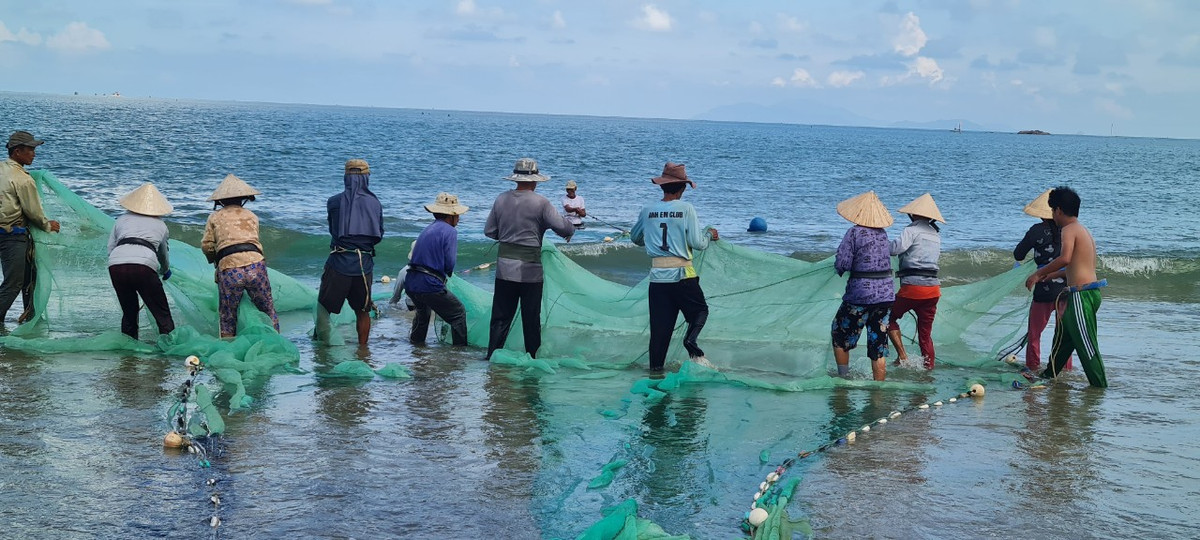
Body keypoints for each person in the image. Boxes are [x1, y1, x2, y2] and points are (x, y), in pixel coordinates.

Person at [630, 162, 718, 373]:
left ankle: (655, 373)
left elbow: (635, 238)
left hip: (657, 280)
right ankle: (690, 341)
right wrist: (709, 235)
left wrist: (650, 237)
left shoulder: (647, 210)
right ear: (683, 188)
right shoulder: (686, 209)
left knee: (660, 333)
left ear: (662, 186)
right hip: (683, 277)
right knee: (700, 311)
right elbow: (698, 243)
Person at [484, 158, 574, 359]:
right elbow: (563, 228)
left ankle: (492, 357)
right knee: (531, 319)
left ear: (515, 178)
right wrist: (570, 227)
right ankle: (532, 359)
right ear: (535, 181)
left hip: (504, 269)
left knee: (500, 318)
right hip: (530, 272)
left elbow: (489, 231)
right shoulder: (541, 203)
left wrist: (507, 235)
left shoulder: (501, 199)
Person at [1025, 186, 1106, 388]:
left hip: (1081, 296)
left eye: (1053, 211)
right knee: (1063, 341)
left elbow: (1065, 258)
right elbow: (1077, 266)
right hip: (1085, 292)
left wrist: (1038, 273)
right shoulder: (1082, 230)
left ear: (1059, 211)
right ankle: (1047, 376)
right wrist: (1053, 275)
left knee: (1087, 345)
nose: (1053, 215)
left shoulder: (1068, 230)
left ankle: (1100, 386)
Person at [200, 174, 279, 338]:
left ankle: (229, 346)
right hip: (256, 266)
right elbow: (254, 241)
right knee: (267, 309)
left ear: (220, 201)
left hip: (230, 269)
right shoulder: (251, 216)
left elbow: (207, 246)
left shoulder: (214, 217)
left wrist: (215, 261)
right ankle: (276, 341)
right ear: (243, 199)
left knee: (228, 315)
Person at [317, 159, 383, 346]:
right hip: (364, 267)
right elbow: (378, 235)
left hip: (338, 263)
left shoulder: (334, 202)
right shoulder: (375, 203)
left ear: (346, 177)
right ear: (366, 178)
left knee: (324, 308)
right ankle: (363, 350)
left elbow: (333, 230)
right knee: (363, 311)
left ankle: (321, 350)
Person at [831, 191, 894, 381]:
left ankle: (843, 379)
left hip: (860, 295)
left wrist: (839, 269)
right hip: (886, 296)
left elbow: (843, 263)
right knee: (878, 344)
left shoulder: (854, 233)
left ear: (858, 213)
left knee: (839, 334)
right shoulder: (883, 234)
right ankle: (879, 388)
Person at [0, 130, 61, 326]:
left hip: (5, 233)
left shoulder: (1, 168)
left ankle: (30, 318)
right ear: (17, 151)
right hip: (13, 236)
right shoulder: (23, 179)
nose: (34, 154)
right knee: (14, 282)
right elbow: (33, 213)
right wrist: (48, 225)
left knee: (29, 277)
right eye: (30, 149)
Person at [107, 183, 175, 339]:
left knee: (129, 312)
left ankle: (129, 348)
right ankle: (168, 347)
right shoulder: (161, 225)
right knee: (161, 313)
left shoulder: (121, 219)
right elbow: (163, 254)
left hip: (116, 265)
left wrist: (119, 262)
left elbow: (110, 248)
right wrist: (165, 271)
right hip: (144, 266)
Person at [1014, 189, 1072, 371]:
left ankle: (1033, 367)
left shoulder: (1036, 231)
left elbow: (1018, 254)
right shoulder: (1069, 231)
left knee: (1035, 333)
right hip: (1066, 288)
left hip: (1043, 287)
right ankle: (1064, 369)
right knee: (1063, 334)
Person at [886, 193, 944, 370]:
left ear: (914, 213)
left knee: (888, 317)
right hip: (933, 290)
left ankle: (902, 357)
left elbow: (895, 249)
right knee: (925, 335)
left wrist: (879, 244)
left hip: (913, 288)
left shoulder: (911, 230)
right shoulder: (935, 234)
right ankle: (928, 368)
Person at [405, 192, 469, 346]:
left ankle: (416, 348)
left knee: (423, 315)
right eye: (457, 215)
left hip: (411, 282)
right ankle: (459, 352)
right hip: (429, 284)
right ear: (450, 216)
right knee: (458, 313)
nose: (459, 219)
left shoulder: (428, 229)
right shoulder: (450, 231)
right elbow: (450, 263)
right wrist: (448, 273)